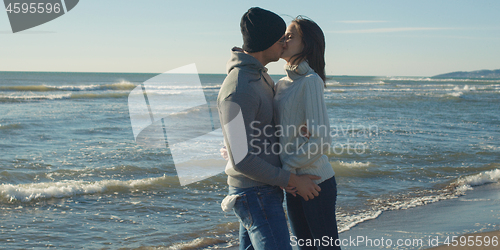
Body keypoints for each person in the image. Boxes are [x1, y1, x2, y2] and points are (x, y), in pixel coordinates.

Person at [217, 8, 322, 250]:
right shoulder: (239, 88)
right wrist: (292, 180)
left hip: (263, 189)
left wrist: (298, 128)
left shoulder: (260, 77)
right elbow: (242, 159)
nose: (285, 43)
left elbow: (260, 129)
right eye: (280, 38)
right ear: (267, 43)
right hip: (254, 194)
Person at [274, 17, 341, 249]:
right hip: (294, 182)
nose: (283, 39)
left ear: (307, 44)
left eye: (290, 36)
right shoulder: (281, 84)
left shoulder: (310, 81)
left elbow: (322, 139)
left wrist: (287, 169)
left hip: (315, 182)